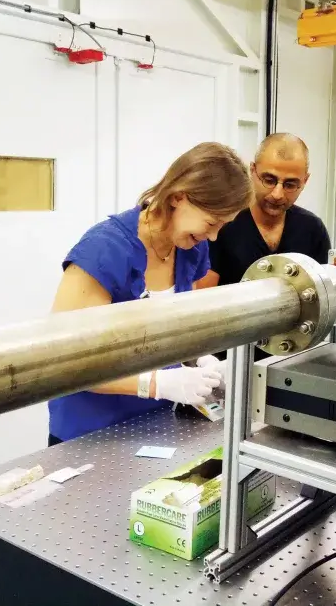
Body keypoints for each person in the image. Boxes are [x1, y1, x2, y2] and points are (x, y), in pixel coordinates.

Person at [47, 142, 254, 446]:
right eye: (211, 223)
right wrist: (156, 383)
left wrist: (200, 361)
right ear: (178, 198)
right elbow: (64, 364)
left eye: (222, 226)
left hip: (152, 428)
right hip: (87, 437)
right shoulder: (104, 251)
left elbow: (178, 330)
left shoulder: (190, 250)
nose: (213, 236)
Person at [197, 133, 331, 287]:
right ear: (252, 171)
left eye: (290, 184)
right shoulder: (221, 225)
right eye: (269, 180)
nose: (277, 194)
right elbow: (204, 301)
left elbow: (322, 297)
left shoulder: (312, 230)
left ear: (305, 181)